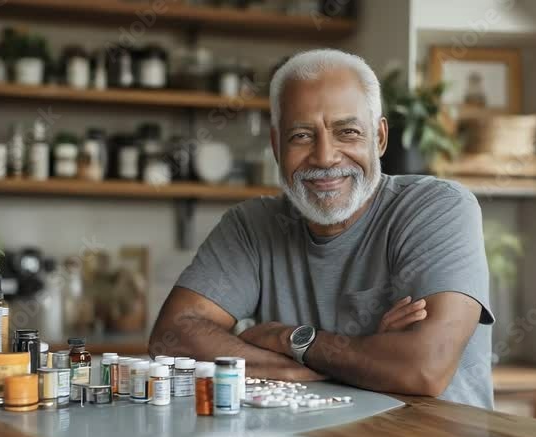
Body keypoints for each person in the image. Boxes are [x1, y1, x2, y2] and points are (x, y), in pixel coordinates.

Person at [149, 49, 494, 408]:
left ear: (379, 137)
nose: (325, 156)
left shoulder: (437, 207)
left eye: (347, 132)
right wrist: (363, 359)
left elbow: (423, 368)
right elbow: (171, 338)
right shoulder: (251, 225)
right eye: (301, 135)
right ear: (276, 145)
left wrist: (293, 341)